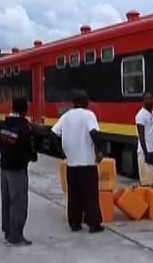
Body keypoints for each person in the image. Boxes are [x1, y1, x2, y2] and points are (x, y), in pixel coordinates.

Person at [51, 89, 104, 234]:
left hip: (72, 163)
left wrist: (60, 152)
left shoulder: (66, 116)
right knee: (90, 194)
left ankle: (75, 223)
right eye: (86, 99)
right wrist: (99, 150)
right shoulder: (89, 115)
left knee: (74, 195)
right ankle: (94, 224)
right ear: (81, 101)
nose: (88, 101)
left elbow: (53, 133)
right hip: (87, 162)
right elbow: (94, 132)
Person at [0, 96, 37, 246]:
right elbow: (29, 146)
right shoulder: (24, 127)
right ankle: (16, 236)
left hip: (4, 167)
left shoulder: (4, 124)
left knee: (6, 201)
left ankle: (7, 231)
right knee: (18, 203)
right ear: (25, 109)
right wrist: (31, 157)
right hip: (18, 169)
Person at [135, 92, 153, 186]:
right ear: (143, 101)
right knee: (147, 182)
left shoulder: (152, 114)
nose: (150, 100)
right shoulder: (140, 115)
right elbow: (141, 136)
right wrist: (146, 153)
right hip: (145, 151)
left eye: (151, 98)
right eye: (147, 98)